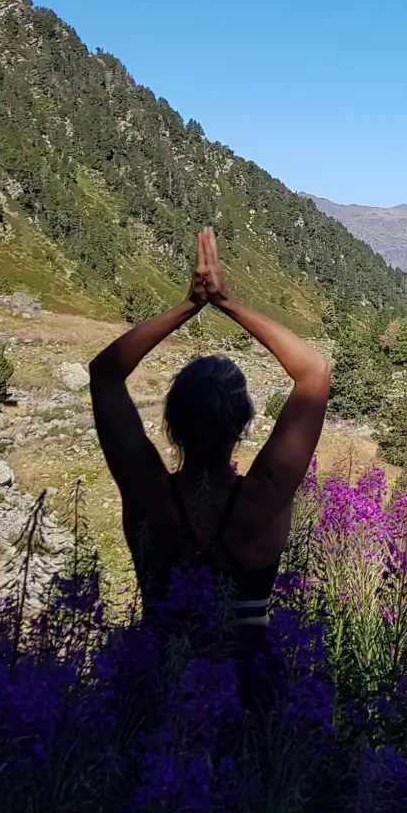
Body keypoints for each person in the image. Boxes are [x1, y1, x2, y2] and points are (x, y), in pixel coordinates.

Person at [89, 226, 330, 710]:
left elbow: (105, 372)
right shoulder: (263, 498)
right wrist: (226, 302)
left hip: (155, 677)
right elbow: (314, 372)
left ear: (171, 424)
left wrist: (187, 306)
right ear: (243, 424)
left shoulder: (147, 493)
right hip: (249, 683)